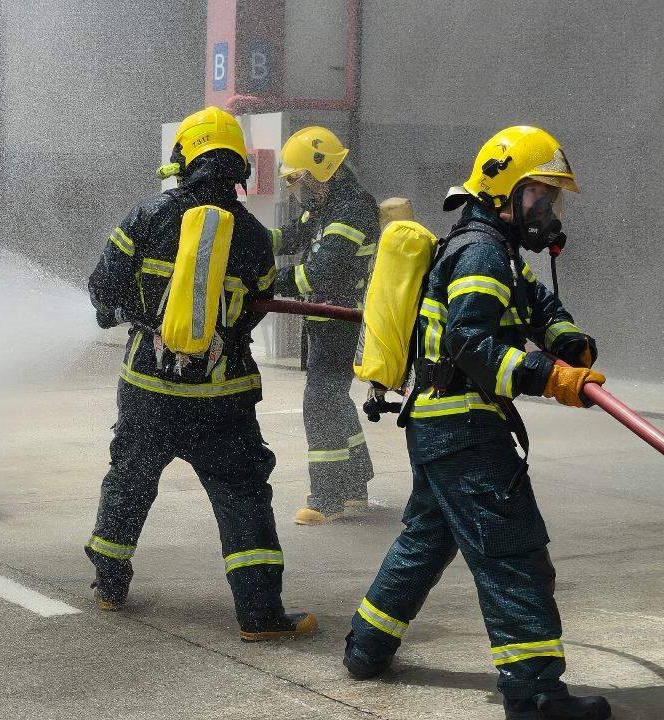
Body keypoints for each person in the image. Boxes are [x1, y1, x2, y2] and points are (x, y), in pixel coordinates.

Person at [342, 126, 612, 720]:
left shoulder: (495, 249)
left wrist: (568, 341)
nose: (547, 210)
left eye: (552, 199)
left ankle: (365, 647)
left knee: (426, 540)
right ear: (503, 190)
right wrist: (550, 377)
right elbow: (471, 343)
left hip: (441, 426)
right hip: (464, 431)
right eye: (539, 194)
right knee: (513, 554)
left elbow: (537, 305)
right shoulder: (482, 252)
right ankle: (535, 694)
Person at [84, 106, 317, 642]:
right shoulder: (253, 236)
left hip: (148, 392)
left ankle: (109, 587)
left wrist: (142, 313)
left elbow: (101, 290)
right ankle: (259, 616)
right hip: (222, 399)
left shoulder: (146, 217)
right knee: (242, 497)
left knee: (128, 483)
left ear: (184, 160)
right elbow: (255, 310)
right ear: (238, 168)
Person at [270, 126, 380, 525]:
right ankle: (355, 485)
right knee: (334, 398)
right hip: (327, 320)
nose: (298, 189)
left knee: (320, 402)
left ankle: (328, 498)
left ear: (323, 170)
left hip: (343, 322)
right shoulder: (329, 205)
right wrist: (250, 242)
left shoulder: (352, 209)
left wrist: (263, 281)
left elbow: (322, 271)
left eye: (300, 179)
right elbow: (295, 234)